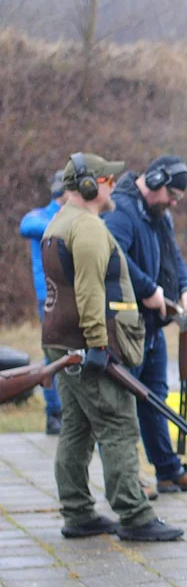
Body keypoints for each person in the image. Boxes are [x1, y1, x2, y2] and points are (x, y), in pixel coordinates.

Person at [41, 152, 184, 542]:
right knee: (119, 423)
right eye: (107, 180)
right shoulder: (86, 228)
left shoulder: (59, 223)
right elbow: (89, 290)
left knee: (77, 426)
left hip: (63, 340)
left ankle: (77, 512)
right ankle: (135, 516)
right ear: (91, 186)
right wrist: (99, 346)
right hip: (86, 343)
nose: (112, 186)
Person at [104, 156, 187, 496]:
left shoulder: (158, 216)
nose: (172, 202)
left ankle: (167, 471)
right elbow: (112, 256)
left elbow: (173, 256)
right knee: (122, 405)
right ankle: (126, 479)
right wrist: (148, 290)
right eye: (171, 194)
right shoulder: (121, 211)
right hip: (125, 324)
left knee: (155, 398)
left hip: (150, 324)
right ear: (154, 180)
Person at [20, 170, 68, 434]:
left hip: (72, 294)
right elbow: (26, 226)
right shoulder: (41, 216)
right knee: (53, 356)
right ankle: (53, 413)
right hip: (48, 296)